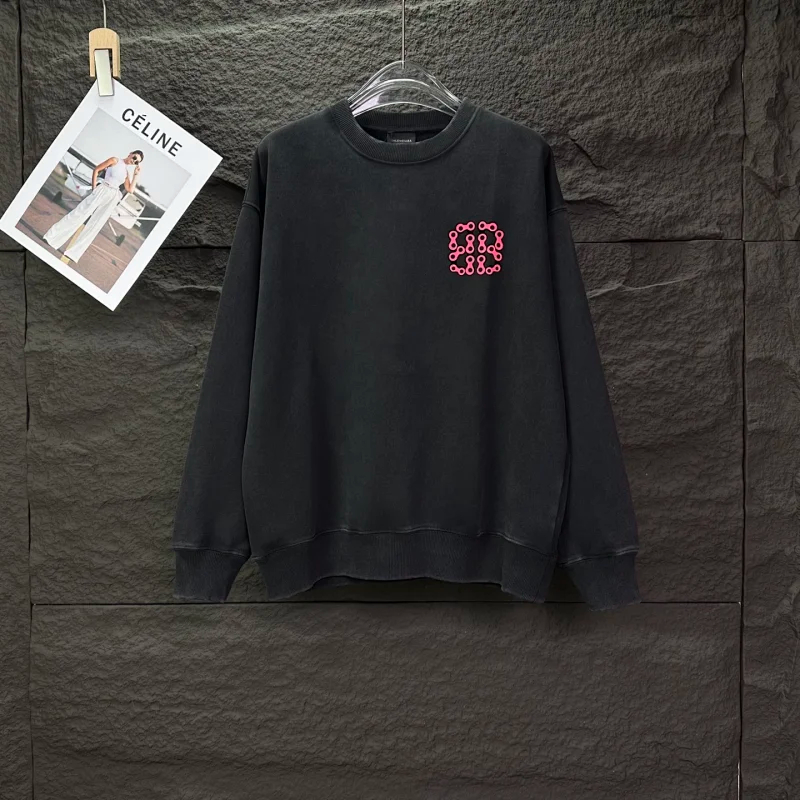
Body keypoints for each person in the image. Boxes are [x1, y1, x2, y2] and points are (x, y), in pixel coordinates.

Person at [43, 150, 144, 263]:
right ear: (130, 153)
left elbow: (130, 190)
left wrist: (136, 175)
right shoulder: (115, 160)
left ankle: (73, 253)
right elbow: (97, 169)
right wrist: (94, 187)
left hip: (113, 197)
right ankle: (51, 237)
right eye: (134, 157)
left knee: (96, 224)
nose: (134, 161)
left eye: (136, 162)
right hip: (102, 189)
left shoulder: (127, 173)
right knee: (78, 214)